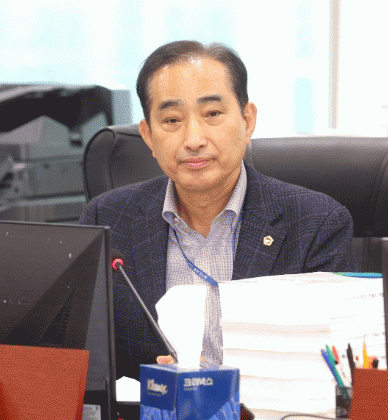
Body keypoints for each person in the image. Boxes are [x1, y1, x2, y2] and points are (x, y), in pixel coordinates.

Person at [80, 40, 356, 380]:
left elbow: (333, 373)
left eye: (212, 114)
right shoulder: (108, 219)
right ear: (148, 136)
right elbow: (90, 364)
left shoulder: (316, 224)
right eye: (172, 120)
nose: (194, 139)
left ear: (247, 121)